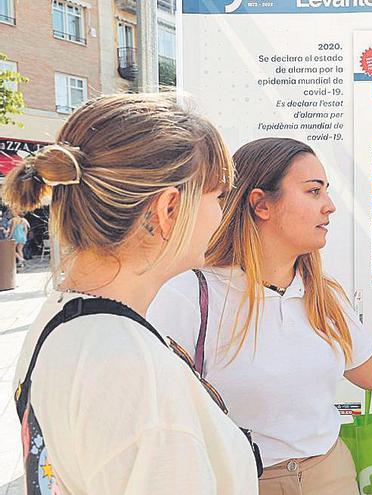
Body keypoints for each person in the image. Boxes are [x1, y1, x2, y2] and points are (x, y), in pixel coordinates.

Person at [147, 137, 372, 495]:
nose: (329, 206)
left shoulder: (324, 296)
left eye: (326, 192)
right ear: (261, 204)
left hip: (331, 477)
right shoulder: (190, 295)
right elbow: (155, 422)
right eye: (313, 191)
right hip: (240, 483)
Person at [3, 94, 259, 494]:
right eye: (218, 197)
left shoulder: (62, 319)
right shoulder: (129, 364)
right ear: (169, 210)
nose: (222, 214)